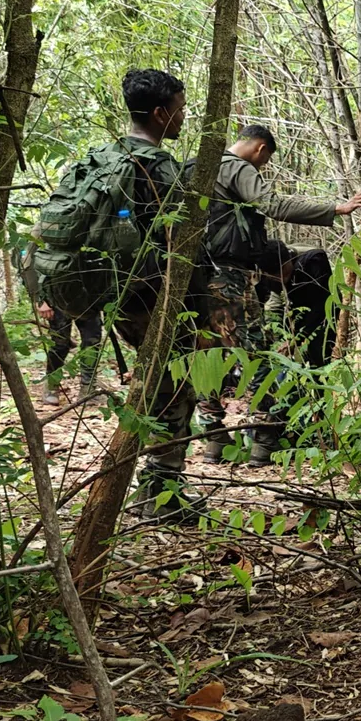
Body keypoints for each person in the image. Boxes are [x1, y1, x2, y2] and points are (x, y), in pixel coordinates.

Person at [196, 125, 361, 464]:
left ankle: (213, 441)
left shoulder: (195, 166)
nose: (261, 170)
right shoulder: (236, 166)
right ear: (260, 149)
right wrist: (337, 208)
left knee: (207, 360)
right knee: (258, 359)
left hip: (193, 277)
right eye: (264, 163)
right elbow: (273, 205)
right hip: (229, 278)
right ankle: (264, 442)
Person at [104, 68, 203, 522]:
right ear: (161, 114)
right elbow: (184, 236)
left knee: (158, 387)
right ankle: (161, 499)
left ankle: (155, 491)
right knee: (175, 389)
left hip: (114, 295)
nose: (183, 119)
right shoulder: (160, 167)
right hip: (154, 297)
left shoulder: (104, 157)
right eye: (180, 110)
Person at [36, 300, 104, 406]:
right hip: (57, 297)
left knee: (92, 344)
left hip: (88, 299)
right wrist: (41, 299)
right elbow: (33, 282)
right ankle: (52, 384)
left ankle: (88, 388)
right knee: (60, 344)